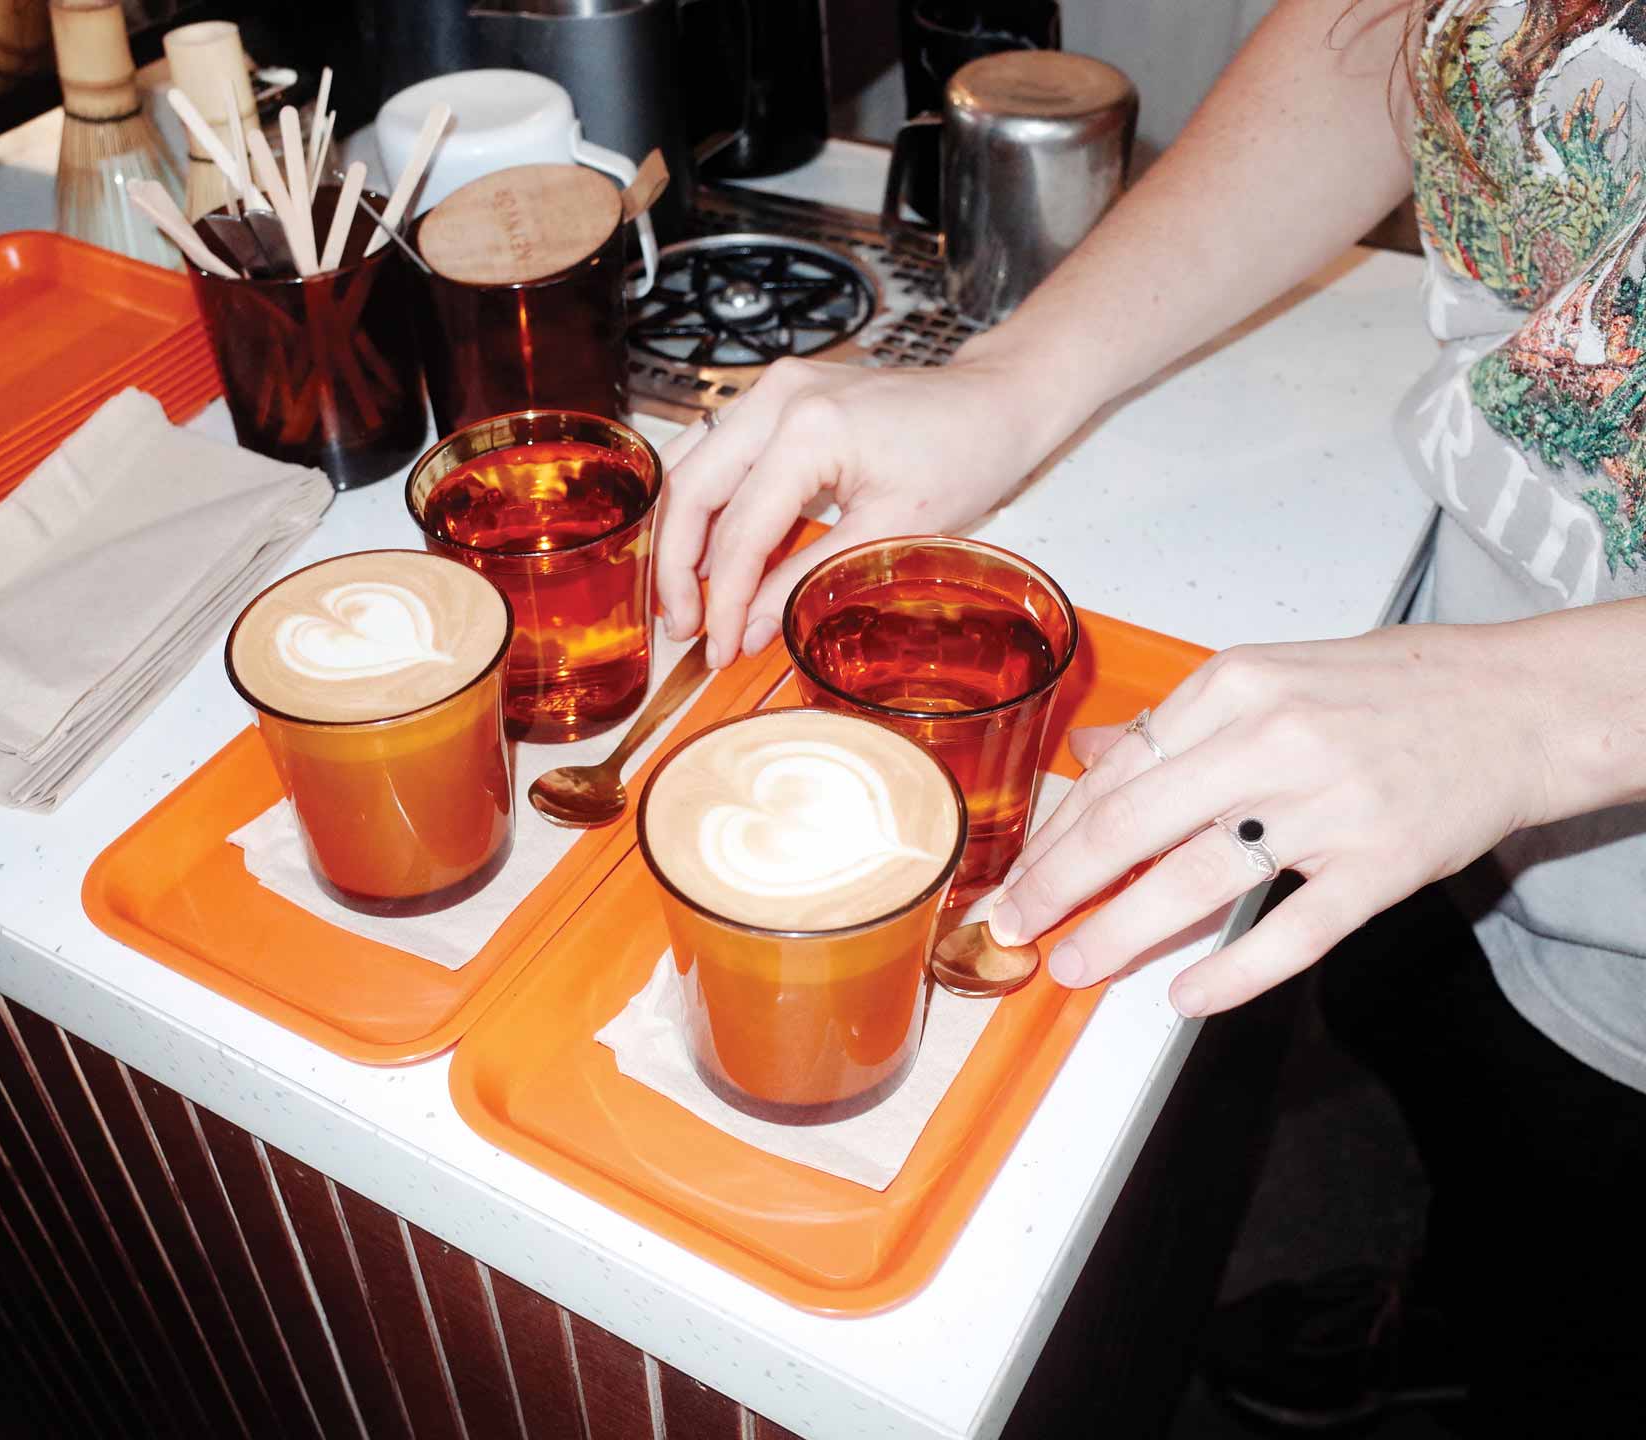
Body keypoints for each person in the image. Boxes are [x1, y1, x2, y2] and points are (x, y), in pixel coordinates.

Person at [655, 0, 1646, 1429]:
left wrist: (1552, 709)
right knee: (1440, 1073)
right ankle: (1448, 1295)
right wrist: (1004, 385)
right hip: (1430, 699)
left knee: (1581, 1269)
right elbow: (1377, 37)